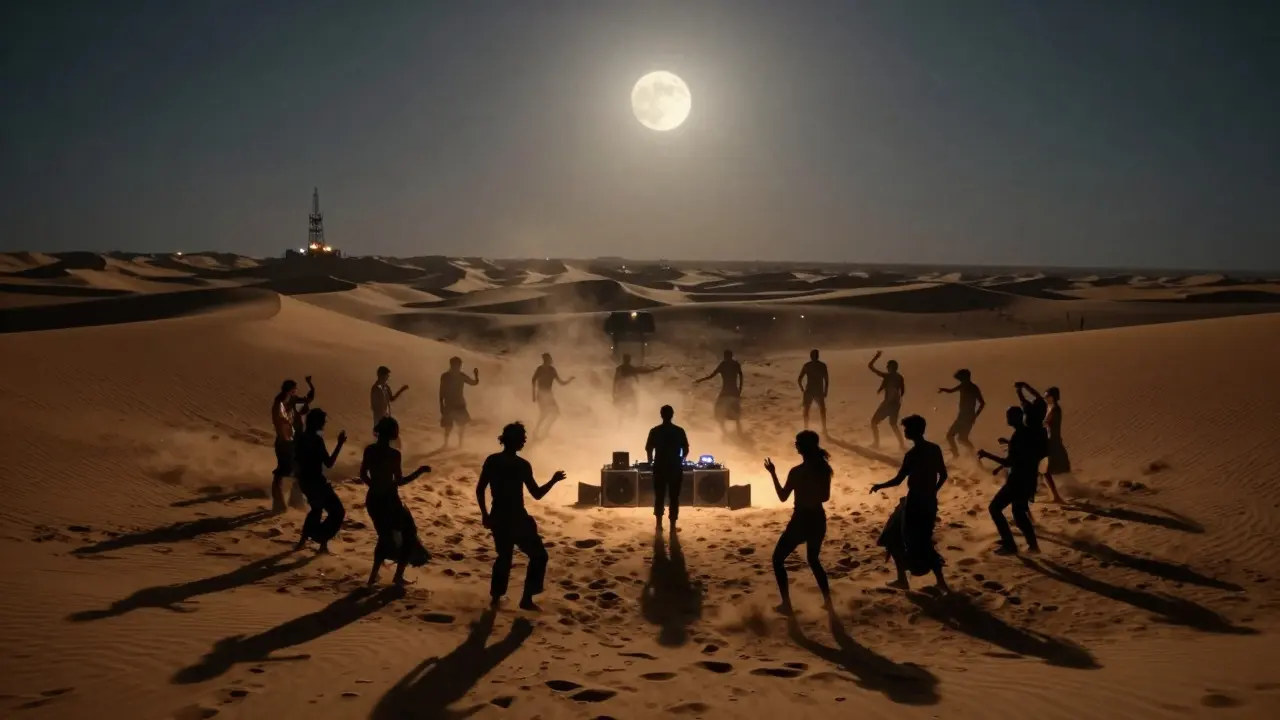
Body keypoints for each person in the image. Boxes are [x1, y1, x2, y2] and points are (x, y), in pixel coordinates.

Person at [476, 422, 567, 610]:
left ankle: (496, 598)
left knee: (504, 557)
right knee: (538, 556)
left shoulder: (493, 460)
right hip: (517, 517)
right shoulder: (521, 465)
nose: (524, 440)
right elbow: (537, 494)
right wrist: (553, 480)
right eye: (522, 437)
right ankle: (526, 598)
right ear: (514, 440)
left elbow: (480, 489)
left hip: (499, 516)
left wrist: (485, 514)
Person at [871, 415, 950, 592]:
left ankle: (903, 579)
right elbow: (943, 475)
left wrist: (879, 486)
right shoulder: (934, 449)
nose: (905, 432)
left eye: (907, 429)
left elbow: (898, 480)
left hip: (914, 503)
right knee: (924, 540)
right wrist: (933, 492)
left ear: (914, 431)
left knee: (896, 537)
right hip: (929, 502)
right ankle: (939, 581)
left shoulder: (913, 454)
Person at [764, 430, 834, 615]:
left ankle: (786, 604)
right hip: (818, 518)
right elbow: (825, 497)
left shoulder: (798, 472)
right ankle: (828, 601)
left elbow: (782, 497)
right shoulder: (823, 468)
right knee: (813, 559)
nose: (795, 445)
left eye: (797, 443)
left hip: (801, 519)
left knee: (777, 559)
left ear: (803, 447)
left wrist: (773, 474)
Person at [361, 416, 432, 587]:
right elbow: (399, 481)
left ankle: (373, 577)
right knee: (408, 534)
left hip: (373, 499)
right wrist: (419, 472)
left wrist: (375, 487)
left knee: (384, 536)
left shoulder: (369, 450)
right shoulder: (394, 455)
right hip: (390, 501)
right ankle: (398, 575)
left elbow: (363, 474)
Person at [978, 406, 1044, 555]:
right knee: (1019, 512)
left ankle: (1010, 545)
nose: (1007, 419)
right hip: (1028, 479)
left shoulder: (1018, 436)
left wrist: (986, 455)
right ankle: (1032, 546)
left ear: (1016, 417)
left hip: (1017, 481)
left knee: (995, 508)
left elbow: (1010, 462)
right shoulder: (1028, 433)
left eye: (1009, 416)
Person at [294, 408, 348, 553]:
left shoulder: (301, 438)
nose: (324, 423)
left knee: (316, 509)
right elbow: (329, 463)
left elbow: (296, 460)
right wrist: (340, 444)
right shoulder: (316, 440)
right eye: (323, 421)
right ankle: (319, 538)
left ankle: (306, 542)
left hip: (305, 482)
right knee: (338, 511)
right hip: (317, 482)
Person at [270, 376, 314, 513]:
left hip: (293, 442)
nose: (296, 393)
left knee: (298, 469)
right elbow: (281, 423)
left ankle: (295, 500)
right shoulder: (279, 404)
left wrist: (311, 386)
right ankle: (278, 503)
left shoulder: (293, 401)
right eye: (294, 390)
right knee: (282, 471)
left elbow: (307, 400)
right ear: (290, 390)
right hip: (285, 442)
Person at [645, 405, 690, 530]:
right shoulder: (679, 431)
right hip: (675, 467)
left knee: (659, 496)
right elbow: (685, 449)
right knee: (674, 497)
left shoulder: (655, 431)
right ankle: (672, 524)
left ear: (661, 415)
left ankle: (659, 524)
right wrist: (680, 460)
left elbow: (649, 448)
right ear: (672, 414)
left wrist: (650, 463)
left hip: (659, 467)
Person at [937, 369, 985, 457]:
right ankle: (972, 455)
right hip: (964, 416)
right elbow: (951, 390)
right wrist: (943, 390)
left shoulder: (972, 388)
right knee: (961, 438)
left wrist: (975, 415)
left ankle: (965, 455)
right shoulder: (964, 386)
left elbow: (982, 403)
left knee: (954, 437)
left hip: (966, 416)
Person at [695, 349, 743, 436]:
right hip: (734, 391)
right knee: (736, 412)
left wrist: (700, 380)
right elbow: (741, 377)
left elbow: (711, 376)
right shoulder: (736, 364)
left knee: (719, 411)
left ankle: (724, 432)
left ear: (725, 356)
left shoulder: (723, 365)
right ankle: (739, 431)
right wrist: (740, 390)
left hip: (725, 391)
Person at [867, 351, 905, 450]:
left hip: (888, 404)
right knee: (893, 424)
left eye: (888, 366)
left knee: (874, 422)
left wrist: (876, 357)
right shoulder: (900, 377)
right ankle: (901, 444)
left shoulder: (888, 376)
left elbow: (870, 367)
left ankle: (876, 443)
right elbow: (902, 391)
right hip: (896, 404)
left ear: (891, 368)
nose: (887, 368)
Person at [531, 354, 573, 439]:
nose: (551, 360)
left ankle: (542, 430)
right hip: (542, 394)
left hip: (547, 394)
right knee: (547, 413)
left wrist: (569, 380)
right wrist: (533, 395)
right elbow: (533, 380)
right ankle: (539, 431)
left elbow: (561, 383)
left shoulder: (551, 369)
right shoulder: (542, 369)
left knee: (552, 413)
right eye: (549, 359)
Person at [612, 354, 663, 424]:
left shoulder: (625, 369)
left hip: (627, 391)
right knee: (626, 408)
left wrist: (614, 392)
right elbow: (616, 380)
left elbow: (644, 371)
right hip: (625, 391)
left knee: (628, 408)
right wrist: (614, 392)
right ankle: (623, 423)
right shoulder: (626, 369)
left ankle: (625, 422)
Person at [440, 357, 479, 447]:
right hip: (449, 404)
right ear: (452, 365)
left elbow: (474, 383)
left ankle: (460, 444)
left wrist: (476, 375)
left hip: (459, 404)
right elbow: (441, 391)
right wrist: (441, 405)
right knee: (448, 426)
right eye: (456, 365)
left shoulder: (461, 376)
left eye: (459, 365)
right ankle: (446, 443)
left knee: (461, 425)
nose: (458, 367)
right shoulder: (445, 376)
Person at [1041, 386, 1069, 503]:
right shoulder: (1051, 407)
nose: (1045, 398)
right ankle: (1055, 494)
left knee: (1044, 469)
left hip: (1053, 442)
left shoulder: (1055, 409)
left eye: (1047, 396)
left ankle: (1056, 496)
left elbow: (1045, 423)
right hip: (1050, 441)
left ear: (1053, 397)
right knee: (1044, 469)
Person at [798, 349, 829, 435]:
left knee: (806, 410)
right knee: (822, 410)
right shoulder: (822, 366)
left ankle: (806, 428)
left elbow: (799, 379)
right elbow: (826, 380)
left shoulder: (807, 366)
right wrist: (825, 391)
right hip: (818, 390)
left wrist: (802, 389)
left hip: (809, 390)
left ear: (810, 356)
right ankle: (824, 428)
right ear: (818, 356)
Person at [370, 366, 408, 433]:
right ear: (381, 375)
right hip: (379, 420)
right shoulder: (375, 388)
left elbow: (392, 399)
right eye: (386, 375)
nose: (388, 377)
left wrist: (401, 390)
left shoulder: (386, 387)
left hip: (387, 418)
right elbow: (374, 406)